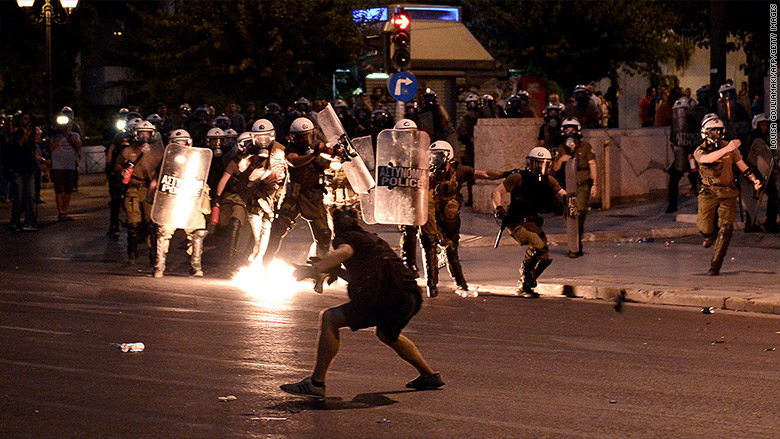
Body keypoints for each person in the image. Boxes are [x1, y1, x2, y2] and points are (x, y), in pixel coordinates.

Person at [281, 207, 444, 398]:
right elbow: (371, 272)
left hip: (385, 297)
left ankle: (316, 383)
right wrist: (338, 272)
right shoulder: (371, 239)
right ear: (358, 222)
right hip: (409, 296)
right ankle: (429, 375)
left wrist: (315, 269)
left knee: (330, 318)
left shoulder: (346, 238)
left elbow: (345, 251)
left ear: (335, 225)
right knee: (386, 334)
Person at [401, 140, 504, 298]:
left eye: (437, 156)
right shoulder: (425, 173)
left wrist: (505, 174)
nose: (433, 159)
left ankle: (461, 284)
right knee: (428, 245)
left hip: (449, 219)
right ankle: (431, 285)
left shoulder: (460, 171)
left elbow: (485, 174)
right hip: (431, 215)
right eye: (432, 156)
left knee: (451, 250)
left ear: (448, 157)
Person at [262, 117, 333, 293]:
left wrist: (336, 152)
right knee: (277, 229)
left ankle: (320, 273)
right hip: (294, 195)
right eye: (299, 136)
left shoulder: (318, 145)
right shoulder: (292, 150)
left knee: (324, 234)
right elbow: (295, 161)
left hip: (313, 196)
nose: (303, 139)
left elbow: (331, 156)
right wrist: (314, 154)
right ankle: (266, 265)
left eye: (306, 136)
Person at [492, 147, 566, 298]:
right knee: (538, 245)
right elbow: (496, 192)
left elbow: (562, 195)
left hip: (533, 222)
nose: (540, 167)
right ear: (530, 163)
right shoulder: (518, 178)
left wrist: (571, 202)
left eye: (543, 164)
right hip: (517, 222)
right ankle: (525, 273)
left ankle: (525, 285)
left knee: (544, 257)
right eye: (537, 163)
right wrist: (498, 208)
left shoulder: (549, 181)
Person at [694, 116, 762, 275]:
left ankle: (715, 265)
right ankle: (709, 234)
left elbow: (742, 166)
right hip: (708, 192)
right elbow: (707, 159)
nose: (716, 134)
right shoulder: (700, 150)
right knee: (704, 227)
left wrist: (754, 180)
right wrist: (727, 149)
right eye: (713, 131)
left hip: (728, 191)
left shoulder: (730, 148)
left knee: (726, 229)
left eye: (719, 131)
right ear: (705, 132)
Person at [152, 129, 212, 278]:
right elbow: (157, 177)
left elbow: (201, 177)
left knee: (198, 231)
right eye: (177, 143)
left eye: (183, 142)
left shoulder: (196, 158)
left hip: (190, 200)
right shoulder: (166, 159)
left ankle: (196, 266)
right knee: (163, 231)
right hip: (170, 201)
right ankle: (159, 266)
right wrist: (151, 194)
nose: (180, 145)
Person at [115, 120, 164, 265]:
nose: (144, 136)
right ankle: (132, 253)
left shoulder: (157, 151)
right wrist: (123, 171)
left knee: (152, 223)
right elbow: (117, 164)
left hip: (150, 188)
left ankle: (154, 254)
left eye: (147, 133)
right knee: (133, 222)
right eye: (141, 133)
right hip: (134, 188)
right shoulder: (128, 150)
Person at [551, 118, 598, 257]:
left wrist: (595, 184)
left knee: (580, 213)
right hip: (568, 187)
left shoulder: (585, 147)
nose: (569, 132)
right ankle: (573, 246)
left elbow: (593, 164)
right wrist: (561, 159)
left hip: (582, 185)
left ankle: (577, 246)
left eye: (572, 129)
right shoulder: (561, 148)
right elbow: (555, 167)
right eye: (567, 129)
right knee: (570, 215)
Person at [666, 98, 700, 213]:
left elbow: (696, 138)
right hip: (681, 155)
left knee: (694, 178)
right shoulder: (676, 124)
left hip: (691, 155)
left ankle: (702, 204)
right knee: (674, 178)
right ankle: (672, 205)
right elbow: (674, 139)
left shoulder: (694, 122)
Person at [8, 113, 40, 231]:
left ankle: (30, 221)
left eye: (28, 118)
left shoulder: (32, 134)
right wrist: (26, 133)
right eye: (25, 118)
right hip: (18, 168)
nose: (27, 121)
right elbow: (20, 143)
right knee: (19, 196)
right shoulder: (17, 133)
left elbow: (33, 148)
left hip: (29, 168)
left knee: (31, 195)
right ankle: (15, 220)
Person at [49, 116, 82, 221]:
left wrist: (69, 134)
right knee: (59, 190)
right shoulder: (54, 136)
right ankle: (60, 212)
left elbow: (78, 145)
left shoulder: (75, 135)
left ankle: (65, 210)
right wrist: (59, 135)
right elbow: (51, 148)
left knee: (68, 190)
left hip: (70, 165)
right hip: (58, 166)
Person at [456, 93, 481, 206]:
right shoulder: (465, 119)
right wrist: (465, 137)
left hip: (482, 149)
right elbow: (460, 132)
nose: (471, 106)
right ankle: (471, 198)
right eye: (469, 104)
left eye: (473, 103)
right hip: (470, 150)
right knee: (471, 174)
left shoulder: (482, 116)